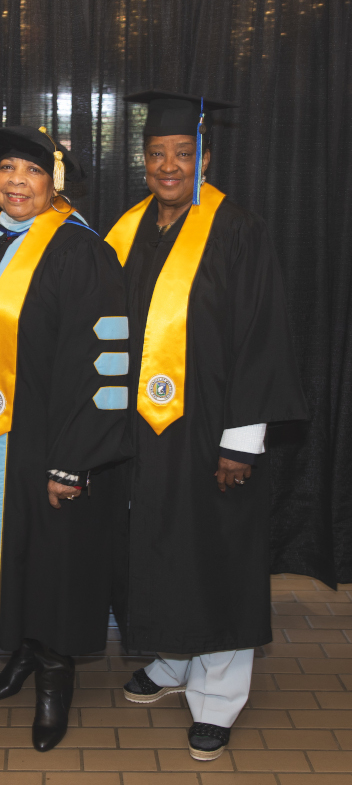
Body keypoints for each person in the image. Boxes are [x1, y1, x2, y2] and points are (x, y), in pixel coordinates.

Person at [105, 91, 308, 761]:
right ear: (143, 161)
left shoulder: (238, 228)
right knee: (159, 549)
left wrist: (241, 441)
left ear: (205, 158)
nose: (169, 166)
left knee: (216, 555)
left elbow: (262, 339)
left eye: (183, 154)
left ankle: (218, 696)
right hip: (143, 432)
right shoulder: (128, 229)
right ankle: (171, 662)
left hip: (213, 429)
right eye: (157, 154)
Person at [0, 126, 132, 752]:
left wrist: (74, 461)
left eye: (30, 170)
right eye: (6, 169)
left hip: (57, 442)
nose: (14, 181)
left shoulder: (80, 249)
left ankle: (57, 679)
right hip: (1, 441)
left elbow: (106, 362)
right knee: (20, 555)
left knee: (57, 563)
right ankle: (27, 652)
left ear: (55, 181)